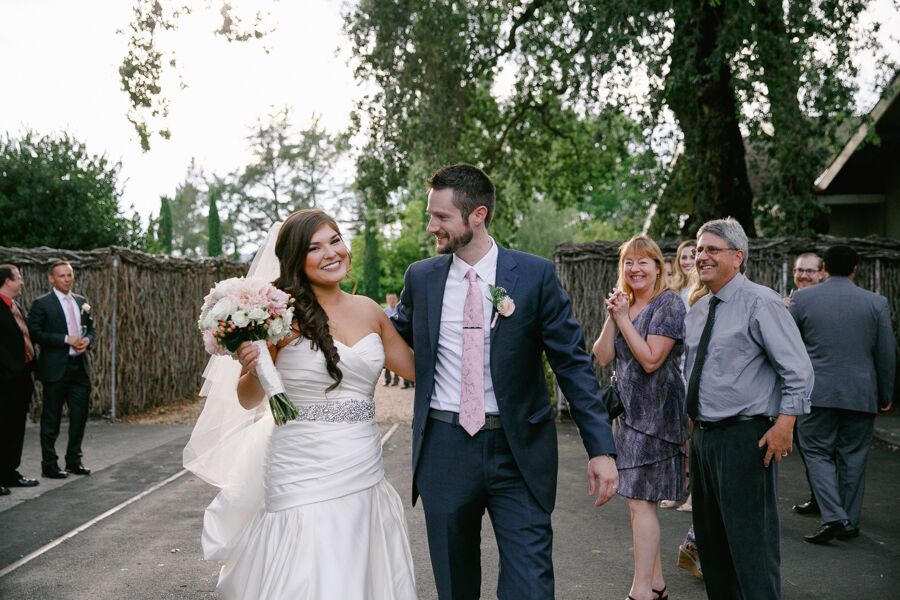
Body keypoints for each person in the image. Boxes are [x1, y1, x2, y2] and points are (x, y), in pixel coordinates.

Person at [391, 163, 618, 599]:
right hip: (444, 448)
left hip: (520, 451)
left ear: (477, 215)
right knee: (455, 587)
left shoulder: (534, 276)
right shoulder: (420, 278)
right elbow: (385, 335)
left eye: (440, 217)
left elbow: (572, 365)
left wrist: (601, 448)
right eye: (430, 215)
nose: (430, 226)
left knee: (531, 586)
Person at [194, 209, 417, 599]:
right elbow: (248, 399)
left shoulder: (369, 310)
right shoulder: (277, 316)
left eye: (335, 240)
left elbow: (415, 368)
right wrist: (251, 364)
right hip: (301, 465)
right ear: (297, 258)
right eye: (315, 247)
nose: (331, 253)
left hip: (362, 460)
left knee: (356, 560)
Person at [685, 217, 813, 599]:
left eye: (712, 250)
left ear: (738, 257)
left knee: (750, 547)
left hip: (745, 439)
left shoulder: (762, 302)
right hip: (705, 440)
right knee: (712, 548)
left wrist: (785, 423)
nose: (702, 256)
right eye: (699, 249)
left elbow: (798, 370)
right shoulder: (699, 310)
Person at [592, 234, 686, 600]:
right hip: (628, 414)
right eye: (629, 262)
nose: (635, 268)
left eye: (643, 261)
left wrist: (624, 319)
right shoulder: (624, 306)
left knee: (641, 501)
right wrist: (613, 316)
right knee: (636, 502)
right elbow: (602, 357)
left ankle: (641, 591)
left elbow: (650, 359)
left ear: (658, 267)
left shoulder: (669, 304)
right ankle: (656, 585)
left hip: (658, 413)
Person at [790, 245, 895, 544]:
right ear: (855, 269)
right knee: (854, 456)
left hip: (816, 393)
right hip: (861, 394)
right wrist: (885, 392)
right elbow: (886, 353)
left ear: (824, 268)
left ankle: (834, 516)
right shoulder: (876, 302)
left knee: (816, 452)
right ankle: (848, 521)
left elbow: (789, 348)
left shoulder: (802, 299)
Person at [27, 261, 95, 479]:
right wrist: (65, 339)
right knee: (51, 418)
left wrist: (87, 340)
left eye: (69, 275)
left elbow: (91, 329)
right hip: (55, 369)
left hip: (79, 368)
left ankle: (74, 460)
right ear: (51, 279)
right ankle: (49, 464)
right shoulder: (42, 304)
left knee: (79, 416)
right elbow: (34, 333)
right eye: (62, 276)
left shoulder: (81, 301)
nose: (67, 279)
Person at [785, 251, 825, 515]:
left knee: (820, 451)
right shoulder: (790, 299)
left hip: (821, 387)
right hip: (797, 389)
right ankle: (819, 497)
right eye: (799, 270)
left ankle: (830, 504)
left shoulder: (824, 302)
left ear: (823, 273)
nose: (803, 275)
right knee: (808, 448)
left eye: (810, 271)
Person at [0, 264, 39, 494]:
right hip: (4, 380)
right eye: (19, 278)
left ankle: (9, 473)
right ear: (7, 281)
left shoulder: (15, 306)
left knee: (15, 428)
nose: (22, 282)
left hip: (21, 378)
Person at [383, 292, 413, 389]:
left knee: (403, 360)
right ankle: (388, 380)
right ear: (387, 300)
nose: (392, 300)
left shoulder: (400, 309)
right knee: (388, 361)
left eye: (393, 298)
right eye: (390, 298)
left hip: (401, 339)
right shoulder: (384, 311)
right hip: (388, 339)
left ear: (396, 299)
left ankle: (406, 382)